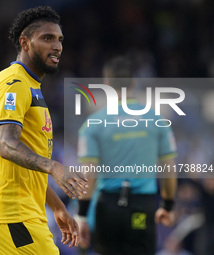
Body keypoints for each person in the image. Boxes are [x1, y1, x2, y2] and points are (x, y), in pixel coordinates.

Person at [0, 6, 88, 255]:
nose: (57, 46)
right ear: (24, 42)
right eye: (47, 38)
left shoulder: (31, 86)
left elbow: (26, 165)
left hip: (19, 213)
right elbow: (7, 145)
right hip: (10, 213)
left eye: (59, 40)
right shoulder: (14, 83)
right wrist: (53, 166)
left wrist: (57, 207)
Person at [76, 57, 177, 255]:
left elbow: (89, 173)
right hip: (142, 205)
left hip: (108, 208)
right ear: (134, 82)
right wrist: (167, 205)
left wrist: (82, 216)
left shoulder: (93, 124)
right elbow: (169, 168)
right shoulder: (157, 120)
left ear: (106, 84)